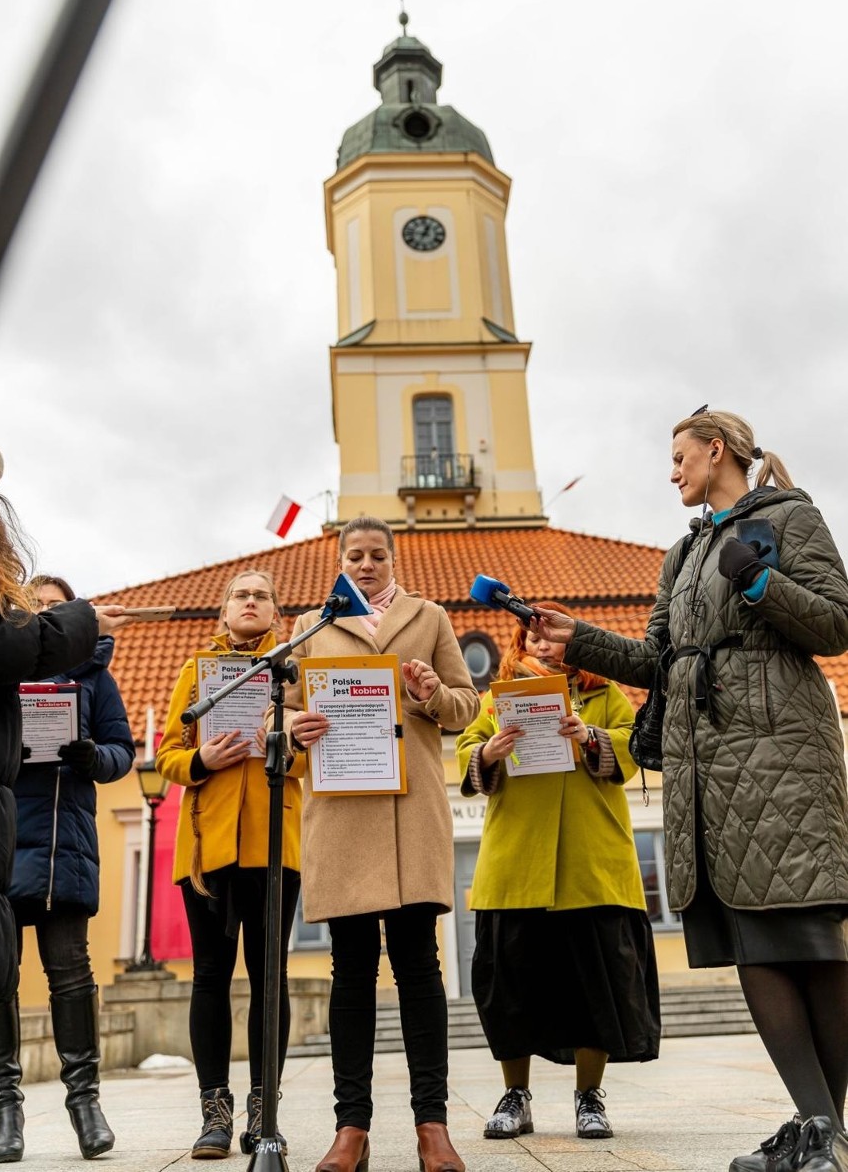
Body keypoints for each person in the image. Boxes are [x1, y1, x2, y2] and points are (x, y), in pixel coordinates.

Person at [532, 408, 848, 1172]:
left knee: (806, 937)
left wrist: (763, 580)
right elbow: (660, 660)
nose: (672, 471)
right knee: (752, 943)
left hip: (781, 752)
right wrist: (580, 639)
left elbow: (836, 624)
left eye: (679, 456)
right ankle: (819, 1131)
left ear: (717, 451)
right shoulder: (683, 554)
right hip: (707, 762)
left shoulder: (790, 516)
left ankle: (820, 1129)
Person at [286, 516, 479, 1172]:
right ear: (340, 561)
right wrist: (293, 724)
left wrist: (430, 694)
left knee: (420, 968)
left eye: (376, 556)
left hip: (408, 813)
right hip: (340, 814)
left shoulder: (431, 617)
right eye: (354, 556)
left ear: (393, 560)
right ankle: (352, 1130)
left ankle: (433, 1127)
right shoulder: (313, 624)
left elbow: (467, 706)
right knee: (352, 972)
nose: (365, 565)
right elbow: (280, 706)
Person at [455, 604, 660, 1142]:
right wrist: (488, 752)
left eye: (553, 640)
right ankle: (515, 1095)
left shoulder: (607, 697)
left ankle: (589, 1096)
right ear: (518, 648)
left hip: (590, 864)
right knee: (510, 991)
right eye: (531, 639)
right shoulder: (493, 704)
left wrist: (590, 737)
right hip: (515, 865)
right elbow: (465, 750)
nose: (543, 648)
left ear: (574, 646)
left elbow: (633, 750)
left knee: (595, 990)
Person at [0, 461, 128, 1164]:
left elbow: (122, 752)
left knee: (71, 971)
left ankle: (86, 1103)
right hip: (6, 834)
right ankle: (5, 1109)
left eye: (58, 608)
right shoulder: (4, 669)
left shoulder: (96, 678)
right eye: (36, 608)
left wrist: (88, 758)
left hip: (67, 842)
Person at [156, 570, 304, 1161]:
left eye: (261, 596)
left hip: (275, 843)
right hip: (208, 846)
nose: (250, 602)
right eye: (240, 595)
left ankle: (264, 1111)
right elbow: (167, 753)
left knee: (272, 976)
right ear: (224, 612)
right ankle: (214, 1113)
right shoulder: (196, 672)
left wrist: (286, 745)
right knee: (211, 976)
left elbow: (317, 749)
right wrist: (200, 758)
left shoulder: (292, 674)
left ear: (276, 614)